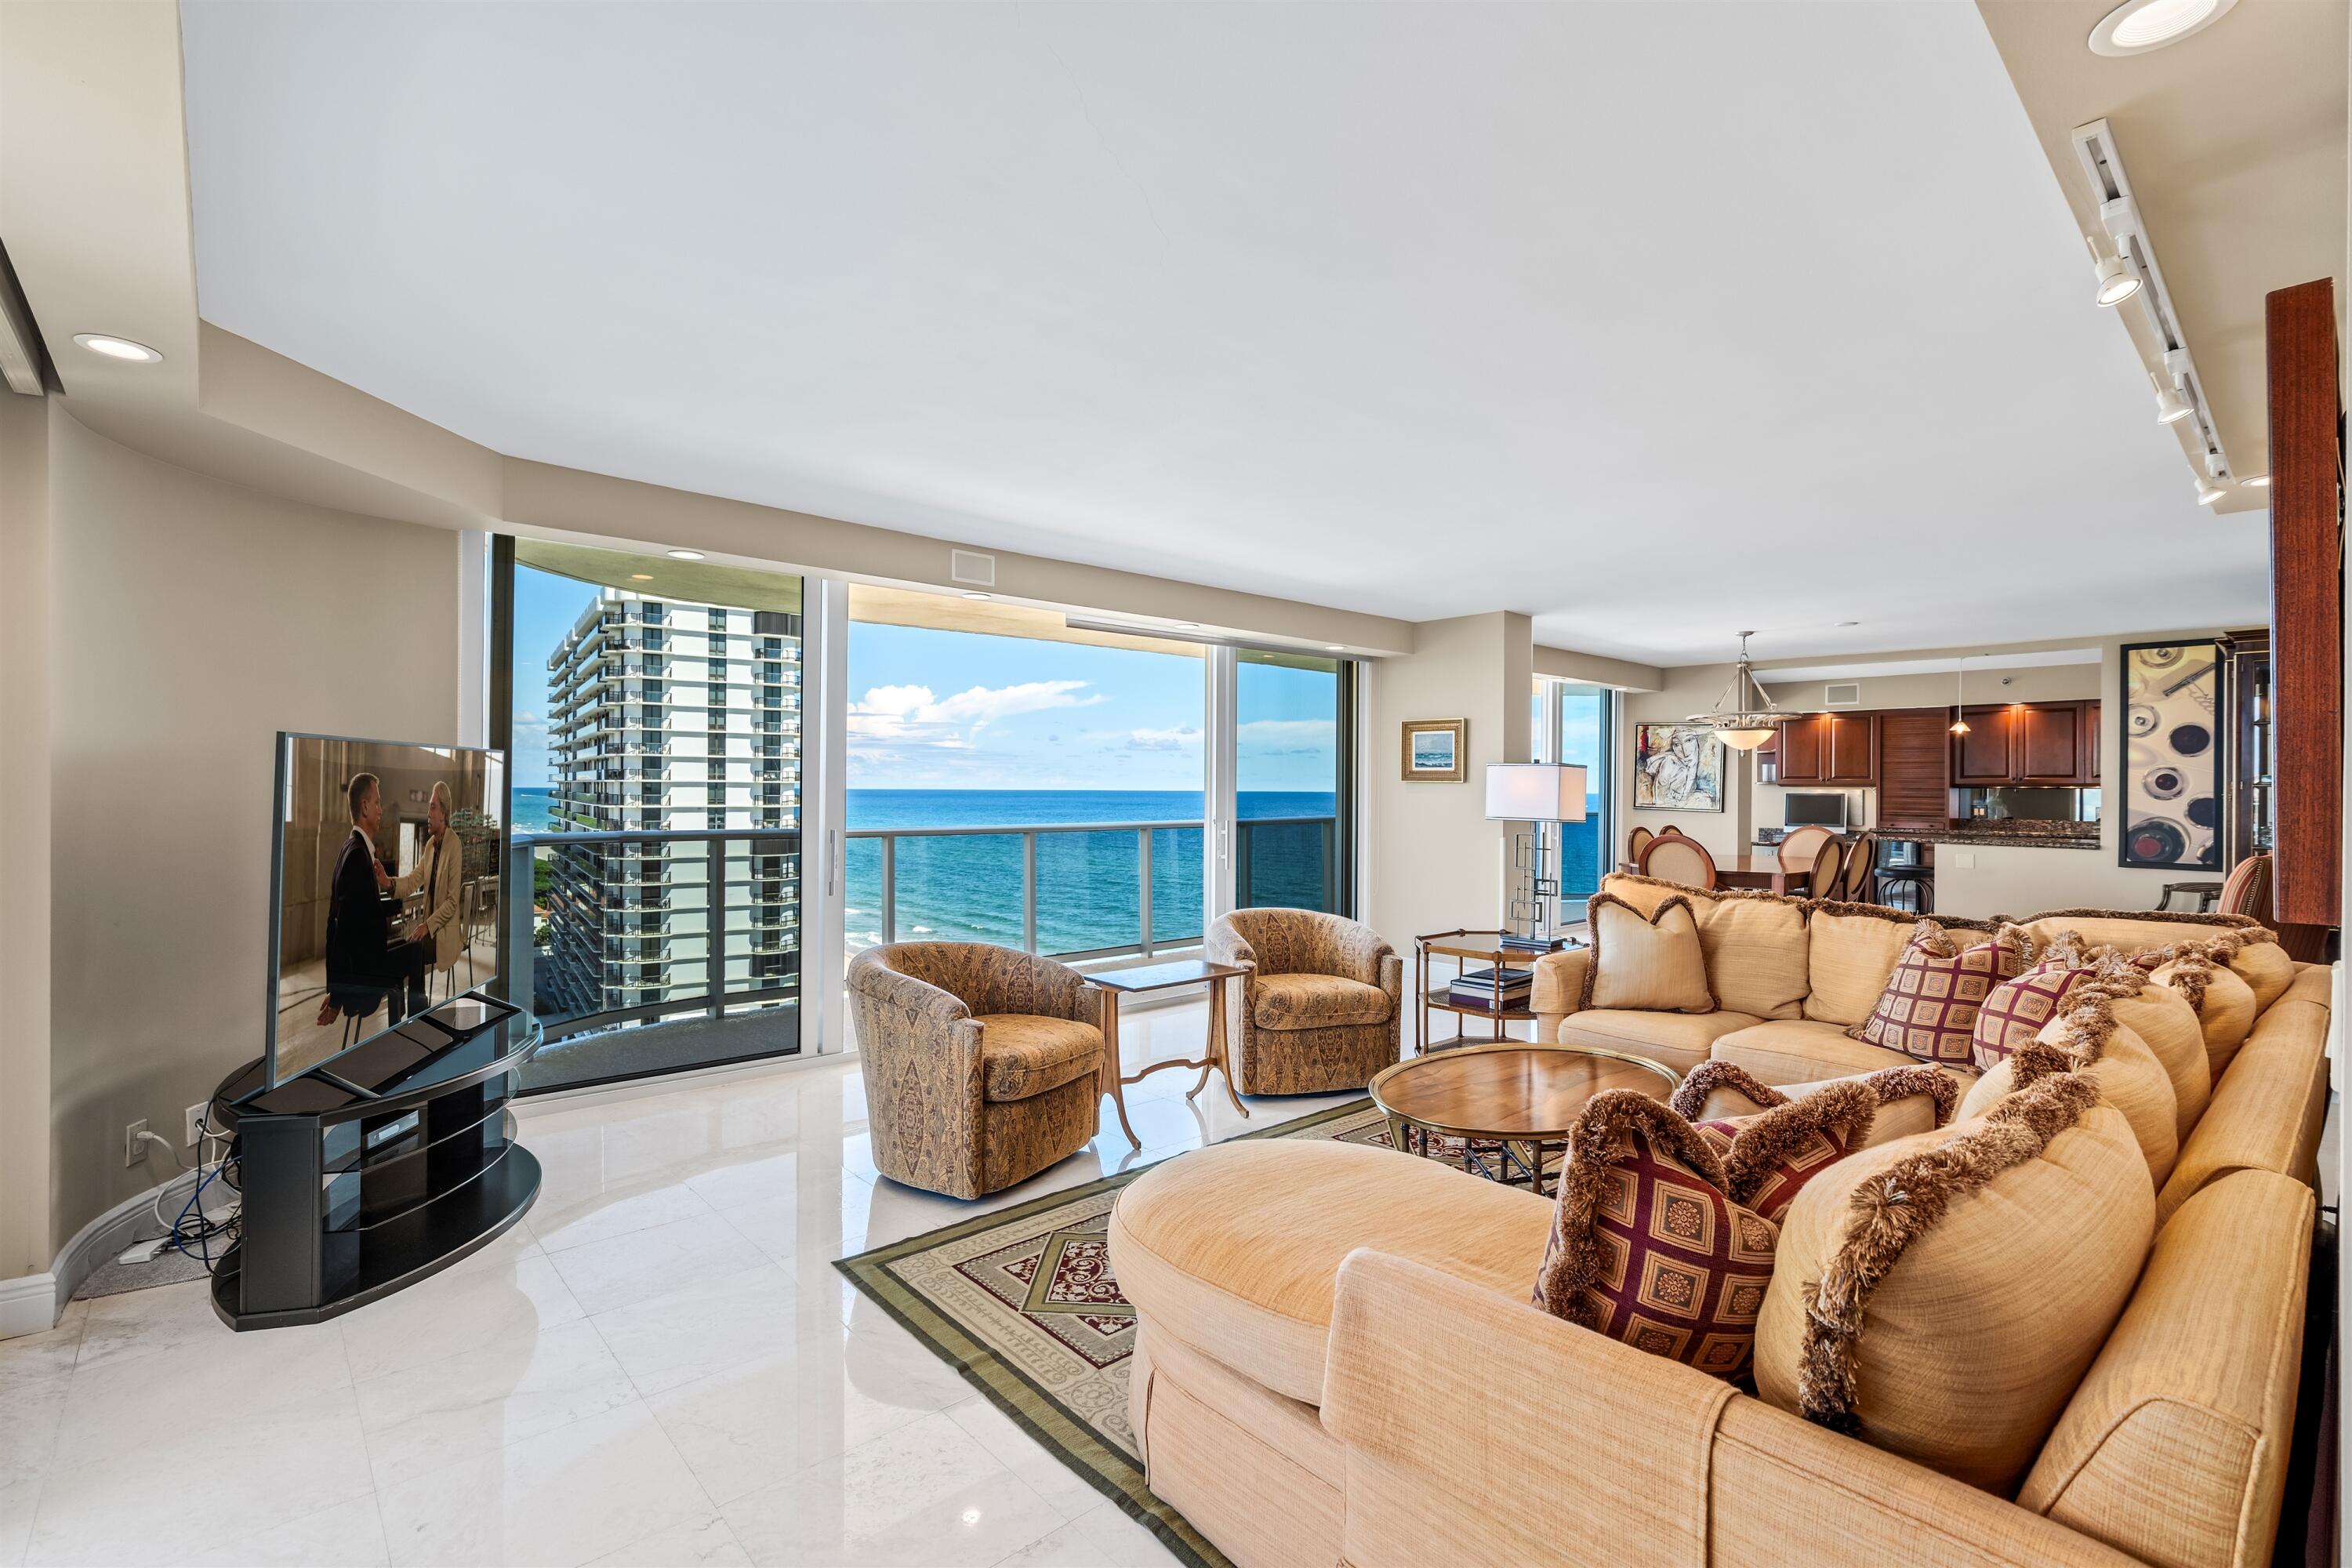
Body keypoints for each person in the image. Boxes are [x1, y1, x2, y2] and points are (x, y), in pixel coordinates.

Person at [317, 771, 425, 1028]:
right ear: (365, 807)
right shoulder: (357, 856)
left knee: (407, 943)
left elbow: (352, 916)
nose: (381, 810)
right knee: (417, 951)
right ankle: (419, 1026)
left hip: (367, 963)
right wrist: (338, 996)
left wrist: (394, 894)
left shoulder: (351, 848)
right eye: (377, 803)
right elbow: (342, 930)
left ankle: (398, 1026)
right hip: (367, 976)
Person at [394, 782, 466, 999]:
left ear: (444, 812)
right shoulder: (430, 846)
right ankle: (413, 1011)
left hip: (446, 933)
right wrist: (388, 883)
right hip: (430, 931)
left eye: (432, 807)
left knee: (411, 953)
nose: (428, 813)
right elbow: (414, 879)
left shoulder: (455, 845)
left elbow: (453, 902)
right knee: (403, 952)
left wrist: (427, 925)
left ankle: (416, 1010)